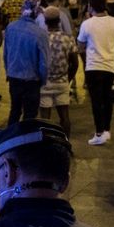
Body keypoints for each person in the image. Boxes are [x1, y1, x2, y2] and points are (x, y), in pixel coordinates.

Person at [77, 0, 114, 145]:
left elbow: (80, 44)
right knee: (107, 98)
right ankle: (107, 130)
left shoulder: (87, 24)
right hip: (110, 65)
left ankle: (99, 132)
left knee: (96, 101)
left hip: (93, 66)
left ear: (90, 6)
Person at [2, 0, 50, 126]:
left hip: (14, 77)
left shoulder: (11, 28)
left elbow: (6, 54)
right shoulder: (40, 33)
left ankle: (11, 140)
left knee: (15, 110)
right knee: (30, 115)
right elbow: (44, 62)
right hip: (32, 80)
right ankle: (26, 142)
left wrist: (8, 71)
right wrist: (43, 79)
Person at [38, 8, 78, 137]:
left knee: (45, 119)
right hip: (62, 82)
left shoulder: (41, 38)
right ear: (59, 21)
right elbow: (75, 63)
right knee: (64, 117)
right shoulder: (68, 38)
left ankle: (46, 145)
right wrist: (68, 78)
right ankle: (65, 143)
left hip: (45, 83)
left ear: (45, 21)